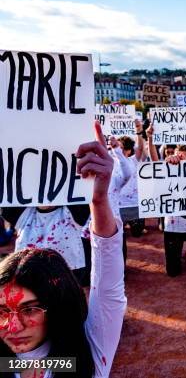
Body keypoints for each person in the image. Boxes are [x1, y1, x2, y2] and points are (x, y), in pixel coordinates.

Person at [0, 121, 126, 377]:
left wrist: (99, 198)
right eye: (2, 311)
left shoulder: (88, 357)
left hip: (68, 271)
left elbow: (108, 288)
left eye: (30, 309)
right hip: (22, 269)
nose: (12, 326)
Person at [148, 126, 186, 277]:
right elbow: (155, 162)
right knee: (172, 271)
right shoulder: (167, 169)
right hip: (172, 227)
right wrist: (149, 138)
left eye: (181, 157)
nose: (176, 158)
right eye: (176, 155)